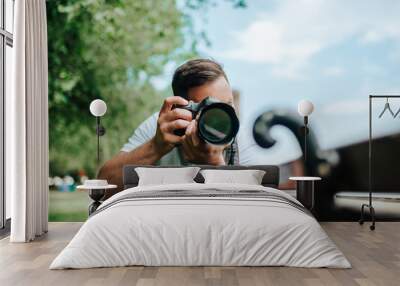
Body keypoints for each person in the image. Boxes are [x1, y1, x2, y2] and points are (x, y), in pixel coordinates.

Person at [98, 59, 240, 191]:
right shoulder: (162, 127)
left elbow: (248, 210)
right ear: (181, 110)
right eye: (209, 110)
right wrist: (156, 146)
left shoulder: (239, 135)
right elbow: (103, 187)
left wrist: (216, 165)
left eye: (227, 105)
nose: (223, 118)